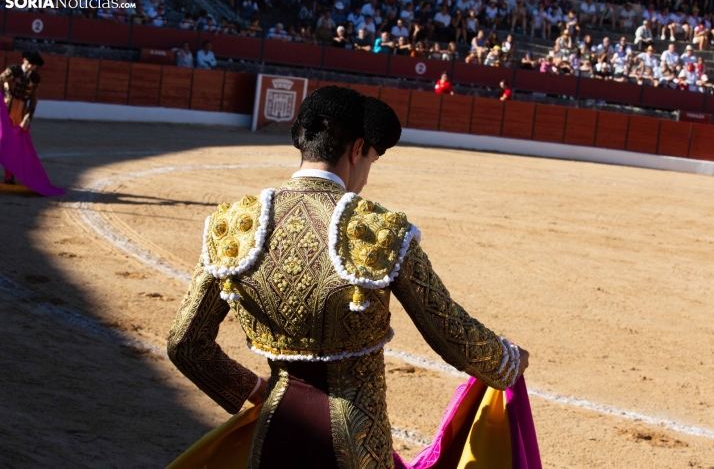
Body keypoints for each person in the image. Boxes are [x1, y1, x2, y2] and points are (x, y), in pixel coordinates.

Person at [167, 86, 531, 468]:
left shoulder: (233, 228)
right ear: (357, 149)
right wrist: (507, 361)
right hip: (358, 444)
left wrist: (254, 389)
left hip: (274, 433)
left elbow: (185, 345)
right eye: (372, 159)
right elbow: (449, 331)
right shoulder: (379, 231)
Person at [0, 52, 63, 195]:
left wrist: (27, 118)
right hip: (5, 112)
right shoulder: (13, 70)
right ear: (24, 60)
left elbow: (33, 100)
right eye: (30, 64)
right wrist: (5, 87)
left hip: (19, 114)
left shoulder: (35, 78)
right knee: (2, 140)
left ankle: (9, 175)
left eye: (34, 65)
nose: (31, 67)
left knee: (15, 146)